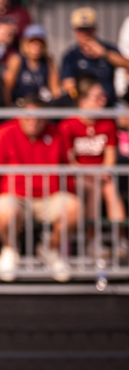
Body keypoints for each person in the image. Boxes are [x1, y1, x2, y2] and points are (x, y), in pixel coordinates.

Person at [0, 96, 80, 283]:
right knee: (7, 211)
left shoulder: (56, 134)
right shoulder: (4, 133)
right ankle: (10, 249)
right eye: (28, 116)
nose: (33, 121)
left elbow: (67, 170)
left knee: (74, 207)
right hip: (14, 196)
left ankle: (49, 249)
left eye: (38, 117)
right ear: (19, 115)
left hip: (48, 196)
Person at [58, 75, 125, 248]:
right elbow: (69, 160)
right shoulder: (68, 125)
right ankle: (91, 239)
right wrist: (92, 174)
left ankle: (120, 239)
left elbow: (110, 155)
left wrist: (105, 171)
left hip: (100, 174)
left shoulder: (107, 123)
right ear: (82, 100)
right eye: (97, 98)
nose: (102, 102)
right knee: (93, 189)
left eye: (104, 97)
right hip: (79, 175)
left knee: (111, 191)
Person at [60, 7, 129, 104]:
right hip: (84, 110)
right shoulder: (71, 56)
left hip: (110, 107)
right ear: (74, 31)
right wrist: (90, 99)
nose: (85, 34)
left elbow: (127, 64)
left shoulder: (109, 50)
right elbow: (68, 85)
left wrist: (105, 54)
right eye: (81, 30)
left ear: (95, 29)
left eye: (88, 30)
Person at [2, 24, 60, 107]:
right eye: (32, 43)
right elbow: (7, 87)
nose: (37, 47)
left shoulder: (48, 61)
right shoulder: (17, 60)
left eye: (40, 43)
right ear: (25, 44)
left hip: (41, 107)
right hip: (20, 106)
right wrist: (8, 109)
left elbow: (55, 90)